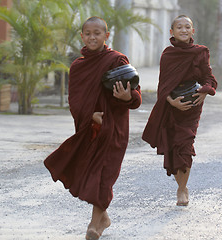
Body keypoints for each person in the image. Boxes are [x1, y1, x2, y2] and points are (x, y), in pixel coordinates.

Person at [44, 16, 142, 240]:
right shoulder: (78, 66)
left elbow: (136, 96)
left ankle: (94, 224)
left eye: (97, 33)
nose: (92, 37)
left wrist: (127, 97)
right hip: (91, 130)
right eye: (88, 33)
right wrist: (90, 117)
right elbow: (75, 100)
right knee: (91, 175)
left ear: (106, 36)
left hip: (113, 129)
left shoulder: (117, 60)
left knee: (104, 175)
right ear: (82, 36)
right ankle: (103, 218)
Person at [142, 15, 217, 206]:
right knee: (173, 148)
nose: (183, 30)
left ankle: (182, 189)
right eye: (179, 27)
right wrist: (171, 102)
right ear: (172, 32)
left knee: (185, 146)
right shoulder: (168, 54)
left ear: (193, 31)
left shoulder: (200, 52)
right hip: (172, 105)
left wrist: (205, 92)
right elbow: (163, 85)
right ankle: (181, 185)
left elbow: (209, 77)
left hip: (192, 105)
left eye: (187, 27)